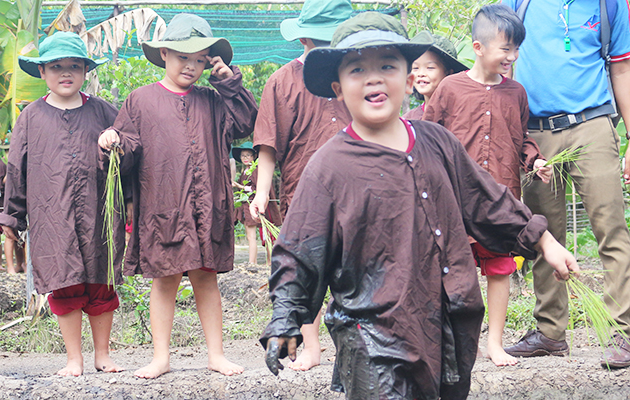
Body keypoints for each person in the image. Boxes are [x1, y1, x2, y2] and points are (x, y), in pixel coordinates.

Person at [260, 12, 579, 399]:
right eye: (357, 69)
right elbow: (299, 250)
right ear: (338, 88)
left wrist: (544, 241)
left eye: (387, 66)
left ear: (409, 81)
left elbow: (487, 201)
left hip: (445, 320)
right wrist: (284, 319)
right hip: (370, 334)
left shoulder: (438, 143)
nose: (374, 77)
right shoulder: (329, 166)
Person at [98, 13, 258, 379]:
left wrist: (228, 82)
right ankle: (160, 357)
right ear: (165, 54)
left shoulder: (214, 101)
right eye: (183, 57)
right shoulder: (140, 100)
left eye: (200, 59)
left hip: (208, 206)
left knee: (206, 278)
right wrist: (113, 141)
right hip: (163, 206)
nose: (191, 66)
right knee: (165, 280)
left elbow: (246, 122)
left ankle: (216, 354)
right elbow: (129, 146)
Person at [501, 0, 630, 368]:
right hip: (536, 132)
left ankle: (624, 331)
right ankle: (551, 332)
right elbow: (497, 53)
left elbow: (621, 68)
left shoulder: (610, 4)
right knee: (542, 230)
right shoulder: (518, 3)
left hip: (592, 125)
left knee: (611, 229)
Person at [422, 4, 551, 367]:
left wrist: (534, 159)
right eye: (505, 48)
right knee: (452, 272)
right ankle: (457, 343)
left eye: (516, 49)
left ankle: (495, 343)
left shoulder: (517, 93)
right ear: (478, 48)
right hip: (455, 200)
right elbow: (429, 138)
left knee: (499, 270)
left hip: (501, 198)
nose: (512, 56)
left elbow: (521, 137)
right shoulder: (450, 88)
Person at [0, 32, 123, 376]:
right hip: (50, 214)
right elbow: (16, 169)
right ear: (42, 73)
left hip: (98, 212)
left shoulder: (103, 110)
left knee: (101, 282)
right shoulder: (30, 117)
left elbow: (130, 152)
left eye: (74, 66)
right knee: (64, 283)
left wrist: (116, 140)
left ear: (85, 71)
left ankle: (102, 354)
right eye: (56, 67)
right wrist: (12, 215)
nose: (65, 73)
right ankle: (73, 359)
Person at [249, 0, 353, 372]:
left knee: (353, 272)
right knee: (308, 272)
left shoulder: (355, 74)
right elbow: (268, 145)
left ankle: (352, 345)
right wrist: (262, 192)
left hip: (357, 194)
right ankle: (311, 349)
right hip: (304, 195)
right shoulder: (282, 81)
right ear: (304, 38)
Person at [231, 142, 282, 265]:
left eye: (248, 155)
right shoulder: (245, 172)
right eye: (243, 156)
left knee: (259, 236)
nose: (246, 158)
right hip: (246, 206)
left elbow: (254, 189)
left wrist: (237, 185)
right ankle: (255, 262)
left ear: (254, 156)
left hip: (255, 206)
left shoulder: (256, 170)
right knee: (252, 236)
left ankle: (254, 262)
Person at [403, 31, 468, 120]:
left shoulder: (462, 115)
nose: (421, 74)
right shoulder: (409, 120)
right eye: (415, 68)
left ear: (449, 73)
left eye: (430, 67)